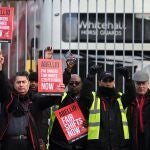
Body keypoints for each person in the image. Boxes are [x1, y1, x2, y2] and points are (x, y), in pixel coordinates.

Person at [0, 53, 62, 150]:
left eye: (23, 82)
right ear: (14, 84)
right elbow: (2, 84)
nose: (21, 85)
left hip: (29, 144)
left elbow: (51, 99)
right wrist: (0, 68)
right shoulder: (8, 98)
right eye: (18, 82)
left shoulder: (36, 100)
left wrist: (57, 90)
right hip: (8, 144)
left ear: (28, 84)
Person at [80, 66, 136, 150]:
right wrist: (90, 77)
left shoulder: (120, 98)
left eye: (110, 80)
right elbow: (84, 94)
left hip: (119, 144)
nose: (108, 83)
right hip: (98, 146)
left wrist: (128, 78)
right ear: (99, 82)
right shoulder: (94, 97)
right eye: (105, 80)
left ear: (114, 82)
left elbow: (131, 95)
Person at [48, 74, 87, 150]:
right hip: (59, 143)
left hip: (80, 143)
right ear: (68, 84)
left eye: (77, 83)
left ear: (81, 84)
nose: (74, 85)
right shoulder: (60, 97)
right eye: (71, 83)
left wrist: (88, 121)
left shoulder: (87, 99)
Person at [127, 71, 150, 150]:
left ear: (148, 84)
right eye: (138, 83)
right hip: (134, 138)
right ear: (134, 84)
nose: (141, 86)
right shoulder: (128, 100)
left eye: (143, 83)